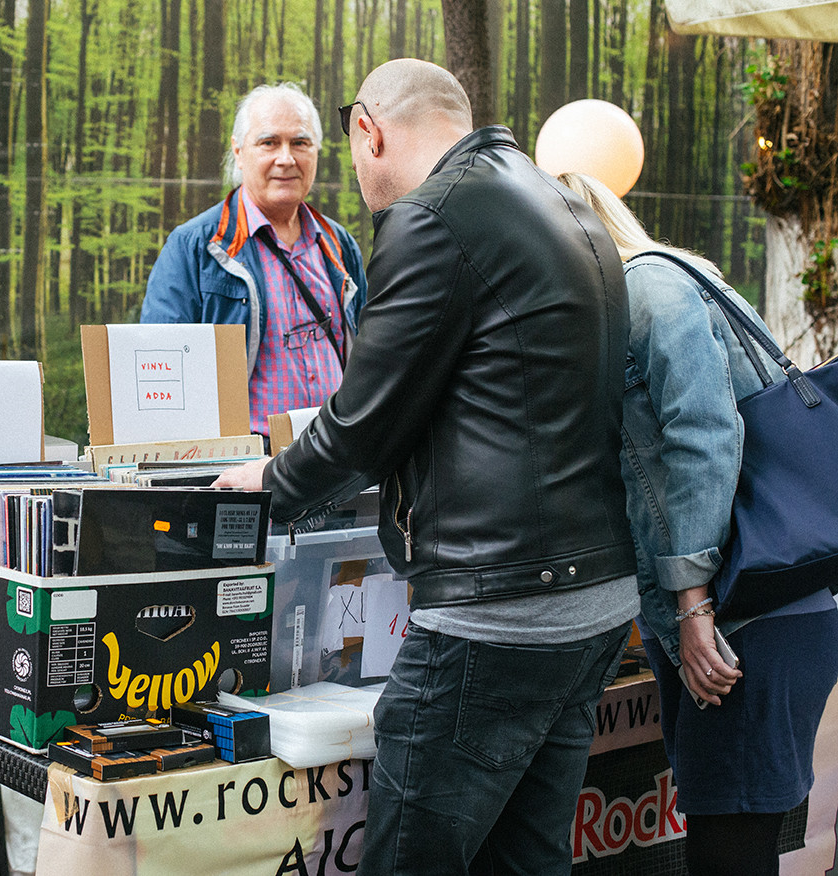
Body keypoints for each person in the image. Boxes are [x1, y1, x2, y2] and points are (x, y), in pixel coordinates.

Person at [215, 59, 639, 875]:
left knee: (413, 857)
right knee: (526, 857)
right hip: (592, 598)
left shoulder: (433, 219)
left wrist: (265, 487)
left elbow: (361, 424)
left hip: (497, 609)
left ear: (366, 130)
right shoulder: (559, 201)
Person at [557, 170, 838, 876]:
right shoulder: (671, 280)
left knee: (729, 848)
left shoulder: (647, 287)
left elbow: (703, 436)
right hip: (751, 607)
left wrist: (689, 602)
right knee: (728, 830)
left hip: (740, 617)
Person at [141, 82, 367, 439]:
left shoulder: (339, 246)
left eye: (300, 143)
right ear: (239, 150)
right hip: (244, 469)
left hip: (334, 464)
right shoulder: (195, 248)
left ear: (317, 151)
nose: (286, 158)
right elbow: (161, 378)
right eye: (269, 142)